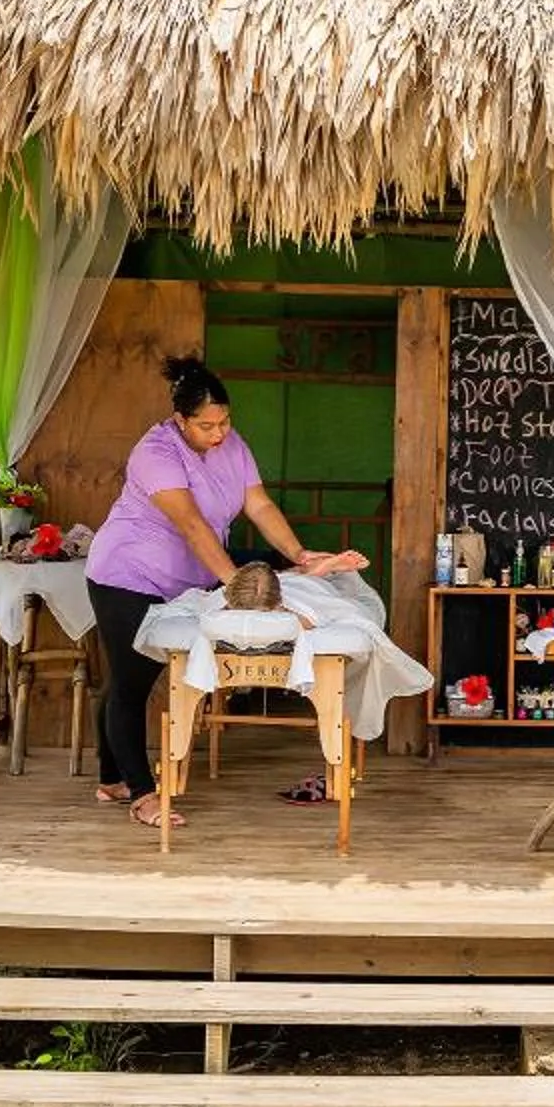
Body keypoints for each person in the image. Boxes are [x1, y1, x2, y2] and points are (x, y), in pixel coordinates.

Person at [84, 355, 367, 830]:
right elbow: (193, 526)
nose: (218, 434)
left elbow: (258, 504)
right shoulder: (155, 452)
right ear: (180, 420)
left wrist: (298, 554)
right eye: (206, 425)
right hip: (126, 573)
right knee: (132, 683)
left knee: (121, 681)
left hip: (185, 579)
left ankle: (111, 776)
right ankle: (141, 793)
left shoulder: (232, 446)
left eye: (224, 421)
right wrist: (235, 585)